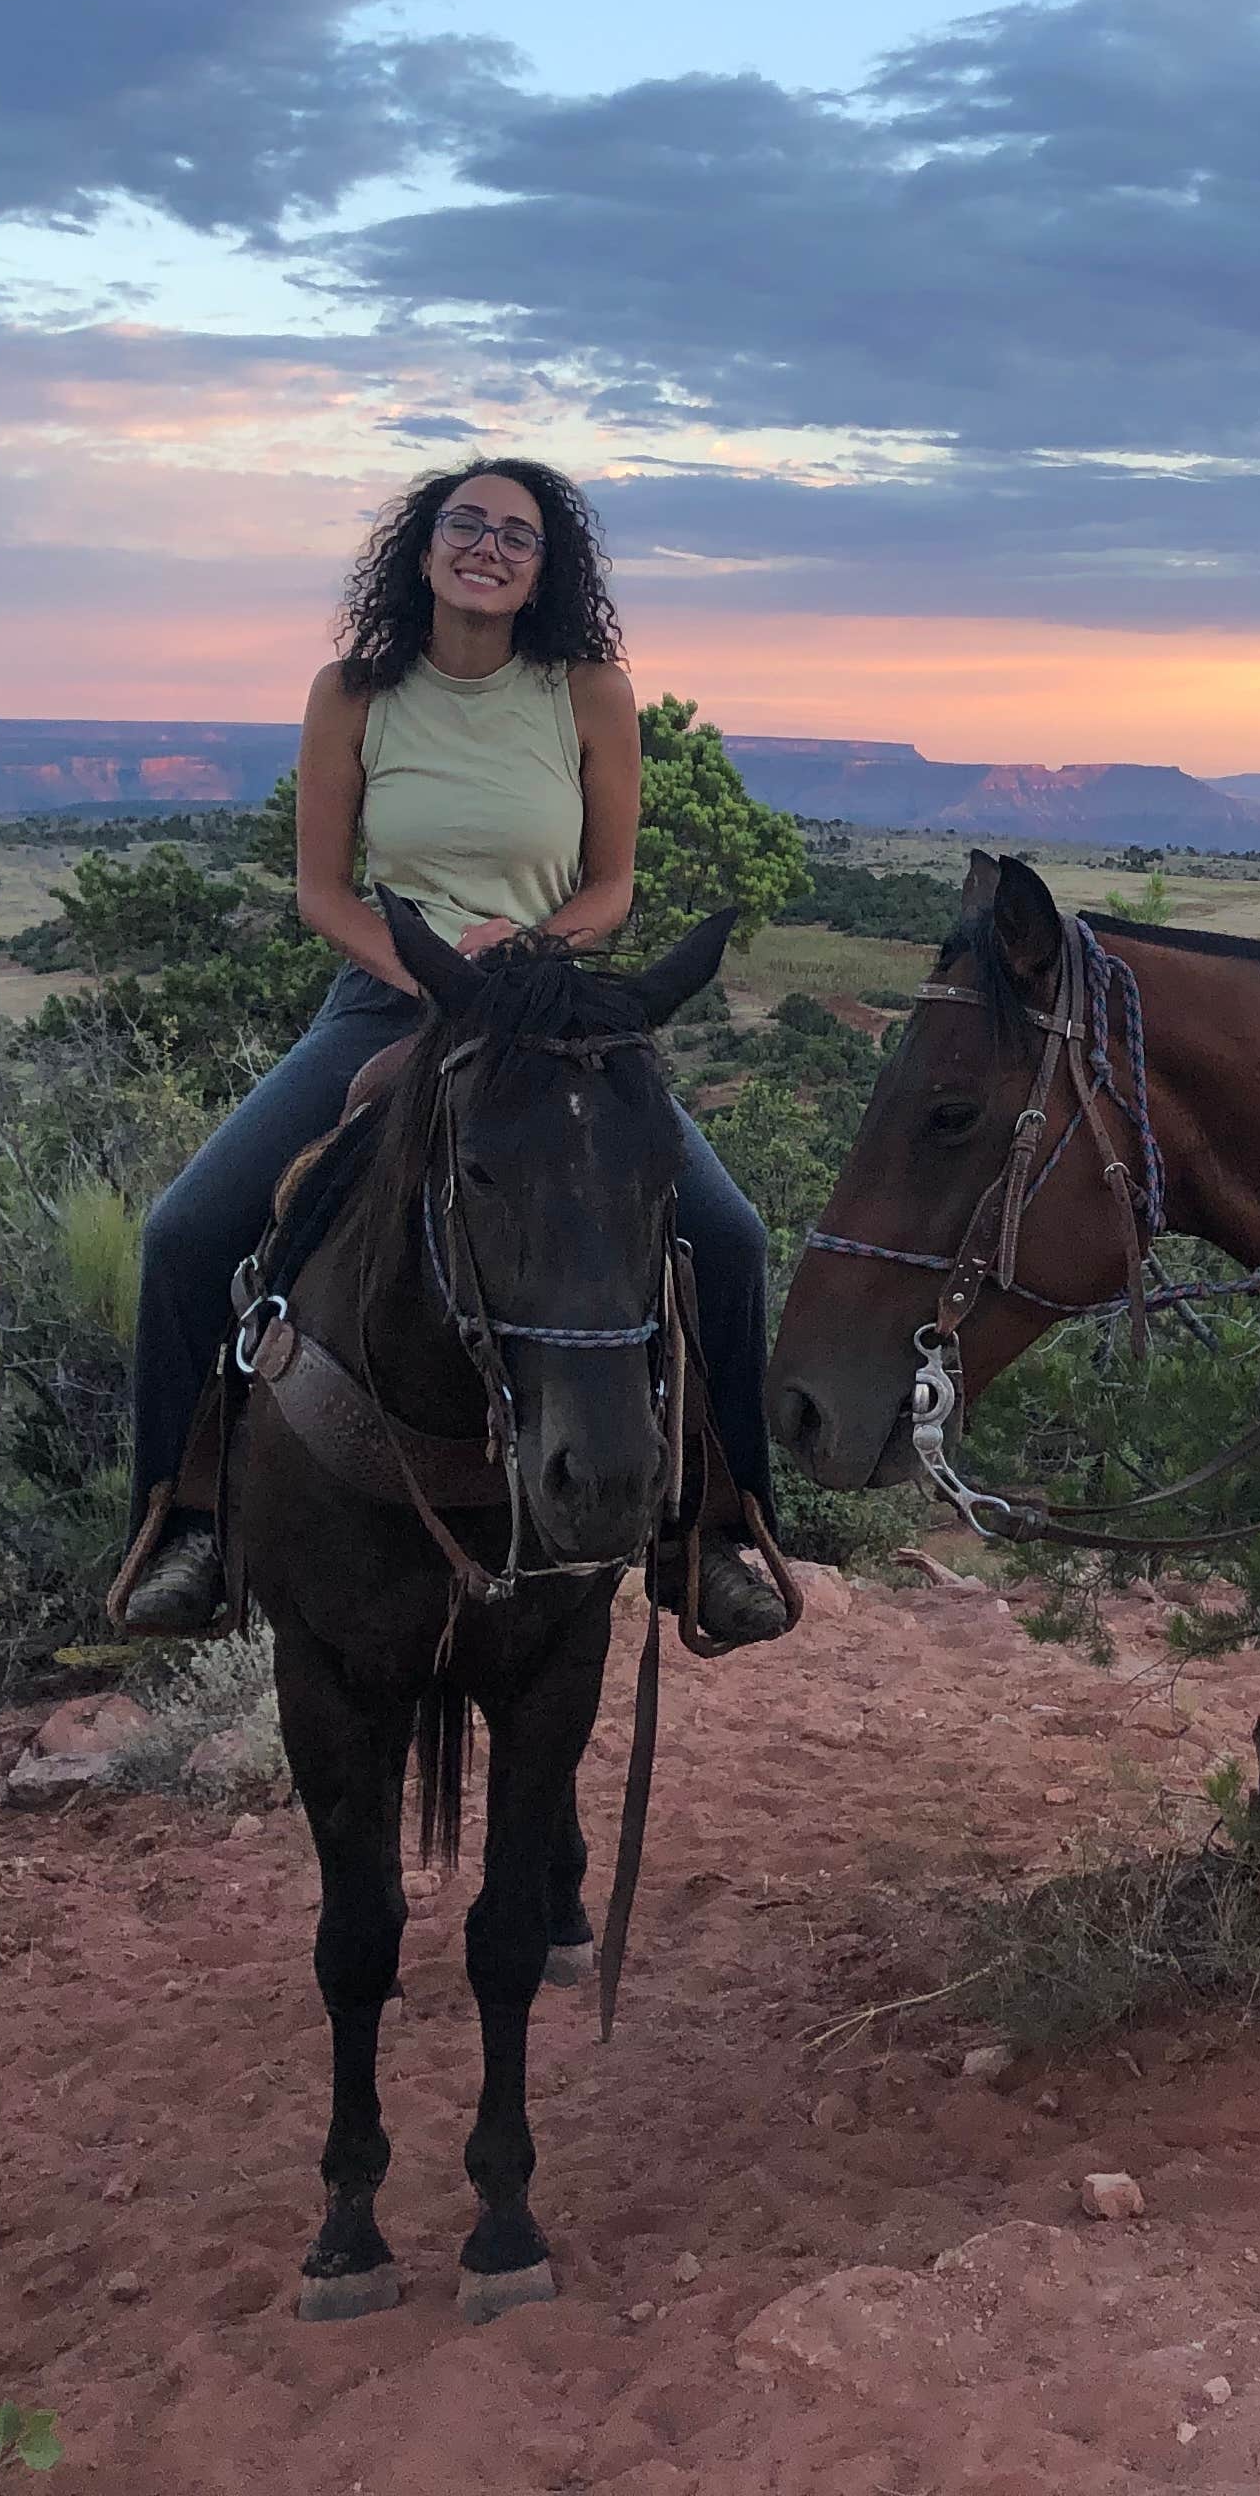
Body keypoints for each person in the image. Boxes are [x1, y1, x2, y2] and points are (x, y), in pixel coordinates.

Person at [119, 454, 796, 1645]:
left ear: (546, 568)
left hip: (547, 1009)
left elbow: (612, 886)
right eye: (465, 524)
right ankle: (186, 1526)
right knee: (186, 1231)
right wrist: (431, 969)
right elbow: (323, 893)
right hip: (390, 1000)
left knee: (728, 1238)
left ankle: (718, 1532)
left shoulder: (587, 692)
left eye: (516, 535)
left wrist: (523, 955)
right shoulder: (357, 691)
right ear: (423, 548)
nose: (488, 546)